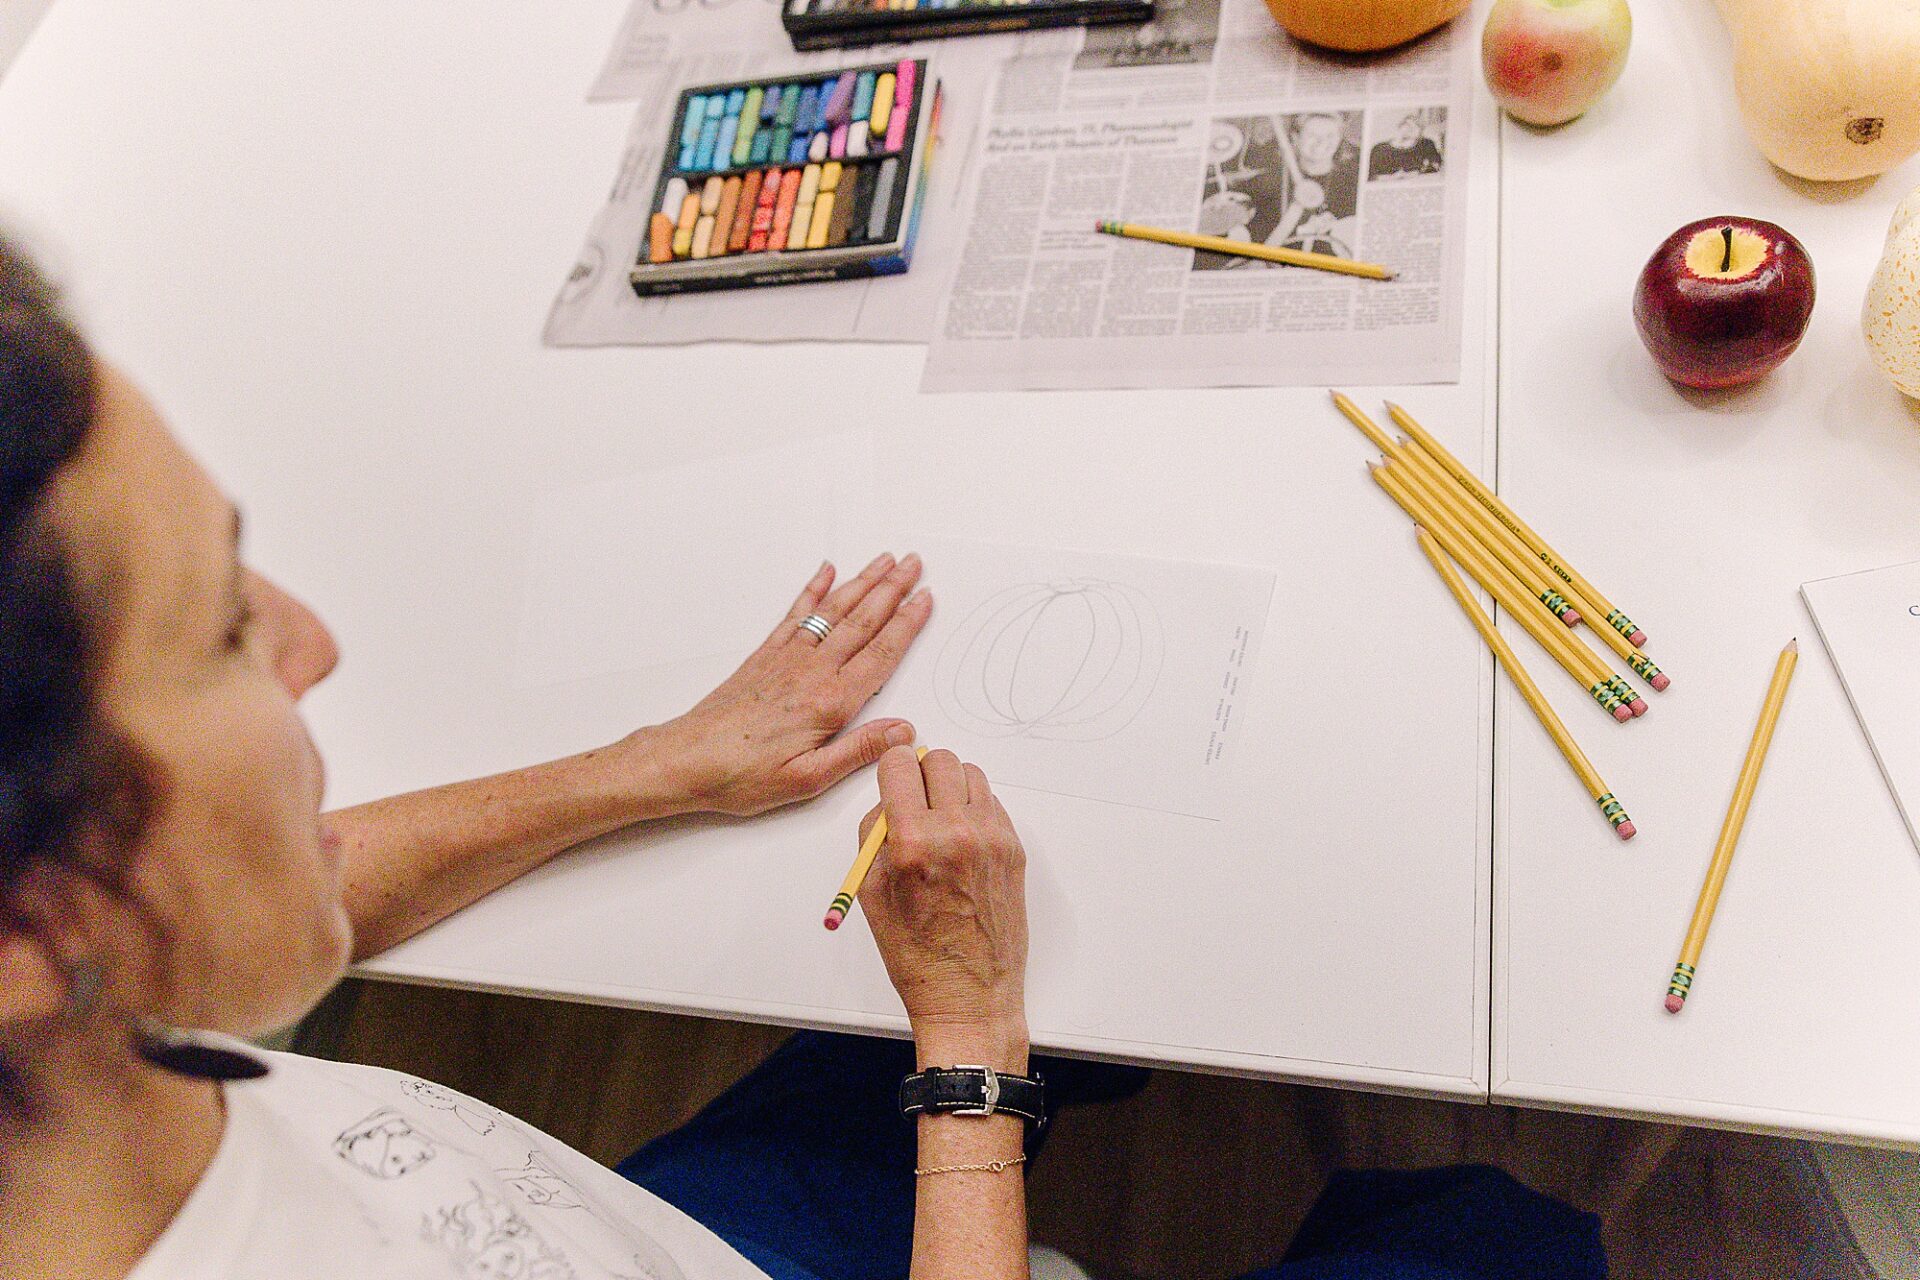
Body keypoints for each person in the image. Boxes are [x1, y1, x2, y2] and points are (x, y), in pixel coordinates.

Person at [0, 234, 1609, 1280]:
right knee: (1502, 1240)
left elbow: (300, 879)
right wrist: (973, 1048)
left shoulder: (84, 992)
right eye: (221, 628)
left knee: (1106, 957)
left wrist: (651, 766)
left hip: (644, 1245)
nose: (311, 644)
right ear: (26, 932)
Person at [1368, 113, 1444, 180]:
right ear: (1399, 126)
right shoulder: (1379, 149)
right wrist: (1393, 178)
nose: (1409, 129)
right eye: (1407, 125)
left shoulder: (1426, 144)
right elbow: (1371, 176)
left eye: (1417, 126)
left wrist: (1416, 175)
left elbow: (1437, 168)